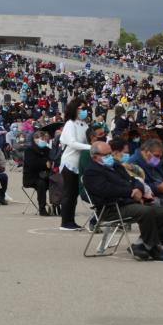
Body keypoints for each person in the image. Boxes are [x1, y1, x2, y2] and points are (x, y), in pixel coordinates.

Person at [82, 141, 163, 261]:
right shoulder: (92, 172)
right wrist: (130, 192)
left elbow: (134, 179)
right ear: (95, 157)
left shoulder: (115, 166)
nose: (109, 157)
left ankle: (141, 244)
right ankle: (152, 246)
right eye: (106, 155)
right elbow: (106, 190)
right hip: (111, 207)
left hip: (128, 202)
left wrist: (137, 188)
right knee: (146, 211)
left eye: (110, 154)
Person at [59, 98, 92, 230]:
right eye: (82, 108)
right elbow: (72, 143)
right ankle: (66, 222)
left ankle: (71, 220)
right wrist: (90, 147)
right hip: (70, 162)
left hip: (80, 163)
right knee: (69, 193)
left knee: (74, 194)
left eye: (85, 108)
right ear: (75, 109)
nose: (84, 111)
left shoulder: (85, 125)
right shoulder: (70, 124)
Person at [22, 131, 51, 215]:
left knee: (57, 181)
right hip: (31, 177)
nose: (44, 141)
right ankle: (42, 208)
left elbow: (52, 159)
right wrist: (45, 163)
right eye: (42, 139)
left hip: (46, 175)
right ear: (35, 139)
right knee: (41, 183)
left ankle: (57, 204)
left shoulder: (47, 149)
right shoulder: (29, 150)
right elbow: (32, 164)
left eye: (45, 139)